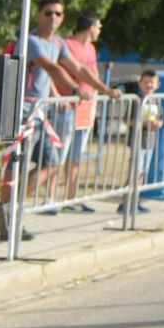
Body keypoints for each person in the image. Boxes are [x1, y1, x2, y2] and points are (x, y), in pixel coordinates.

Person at [0, 0, 120, 241]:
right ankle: (7, 210)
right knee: (16, 164)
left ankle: (13, 207)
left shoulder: (57, 42)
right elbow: (52, 68)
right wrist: (75, 90)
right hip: (21, 112)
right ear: (38, 15)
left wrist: (105, 89)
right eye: (48, 13)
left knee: (52, 163)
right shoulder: (30, 41)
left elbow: (79, 68)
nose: (53, 17)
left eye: (58, 14)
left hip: (40, 113)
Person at [58, 13, 119, 212]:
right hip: (67, 105)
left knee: (76, 154)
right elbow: (63, 72)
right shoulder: (67, 45)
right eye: (98, 26)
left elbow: (93, 75)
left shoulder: (91, 49)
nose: (100, 30)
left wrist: (100, 93)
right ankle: (49, 198)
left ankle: (71, 198)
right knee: (58, 155)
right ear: (90, 27)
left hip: (86, 108)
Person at [118, 70, 164, 215]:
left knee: (142, 173)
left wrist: (158, 124)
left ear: (157, 85)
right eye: (146, 82)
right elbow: (127, 120)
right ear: (140, 84)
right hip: (138, 140)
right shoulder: (137, 100)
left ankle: (135, 200)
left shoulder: (156, 101)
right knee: (135, 172)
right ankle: (126, 202)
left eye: (152, 82)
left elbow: (161, 119)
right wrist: (144, 124)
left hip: (150, 141)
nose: (149, 85)